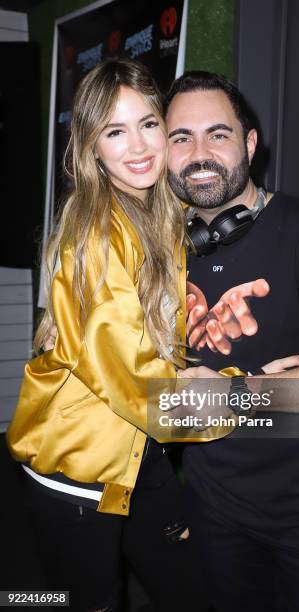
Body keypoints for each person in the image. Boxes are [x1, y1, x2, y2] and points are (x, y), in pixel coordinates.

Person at [163, 71, 299, 611]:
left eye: (217, 134)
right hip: (217, 510)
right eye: (181, 138)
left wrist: (241, 397)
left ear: (250, 143)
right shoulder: (159, 252)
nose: (199, 153)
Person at [6, 59, 210, 612]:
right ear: (93, 148)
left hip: (139, 457)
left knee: (189, 590)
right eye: (115, 132)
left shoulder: (161, 211)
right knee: (87, 603)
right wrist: (255, 398)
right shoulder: (96, 236)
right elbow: (147, 392)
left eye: (148, 123)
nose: (139, 145)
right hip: (78, 473)